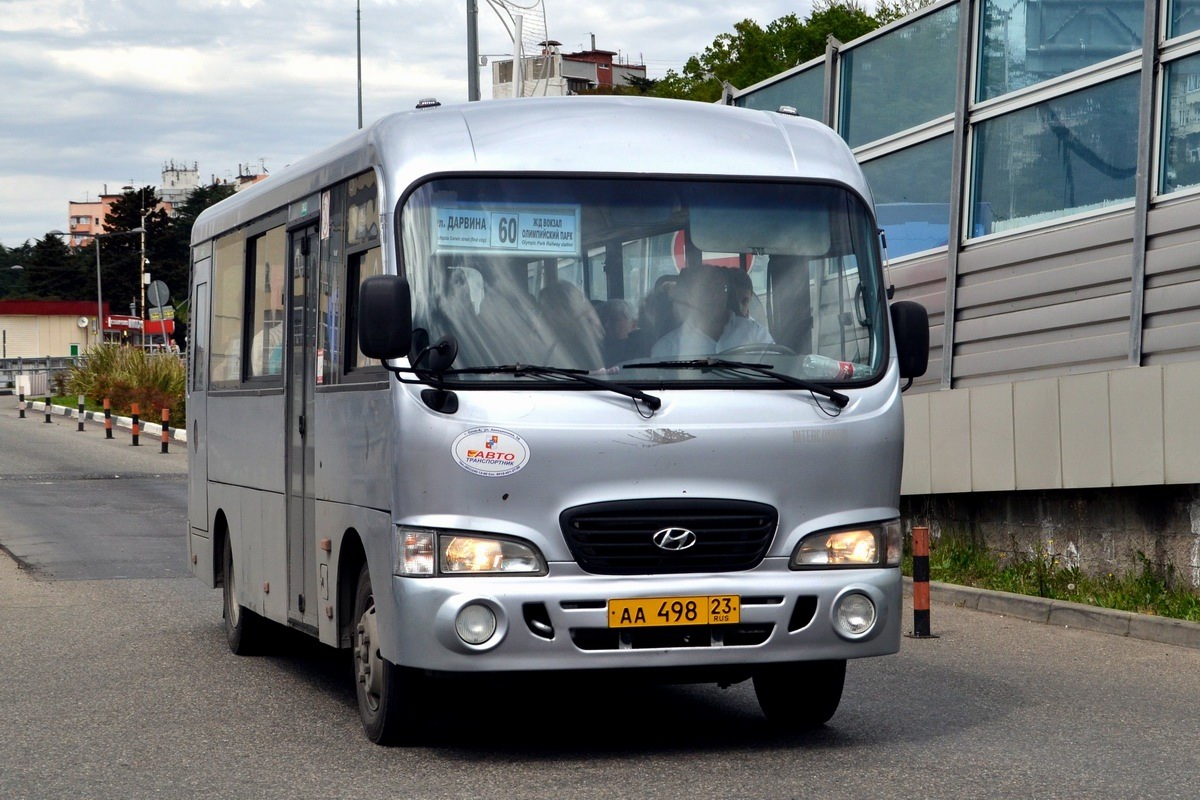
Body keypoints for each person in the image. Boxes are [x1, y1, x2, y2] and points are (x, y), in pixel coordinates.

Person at [651, 264, 773, 357]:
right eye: (706, 289)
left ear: (728, 294)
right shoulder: (667, 348)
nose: (715, 295)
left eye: (721, 288)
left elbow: (779, 373)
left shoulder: (755, 334)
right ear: (692, 296)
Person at [538, 280, 604, 370]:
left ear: (564, 309)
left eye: (547, 308)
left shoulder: (581, 342)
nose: (542, 315)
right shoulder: (557, 337)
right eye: (541, 310)